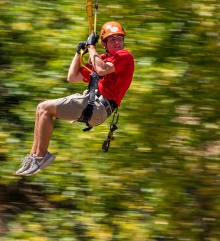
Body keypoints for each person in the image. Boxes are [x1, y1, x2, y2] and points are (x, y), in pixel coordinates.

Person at [15, 21, 135, 176]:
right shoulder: (102, 58)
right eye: (112, 39)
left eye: (120, 38)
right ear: (105, 44)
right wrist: (79, 53)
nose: (117, 42)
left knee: (45, 108)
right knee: (41, 109)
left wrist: (92, 48)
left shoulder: (124, 56)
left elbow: (102, 69)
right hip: (93, 104)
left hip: (99, 107)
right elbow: (72, 77)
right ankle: (33, 156)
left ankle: (40, 157)